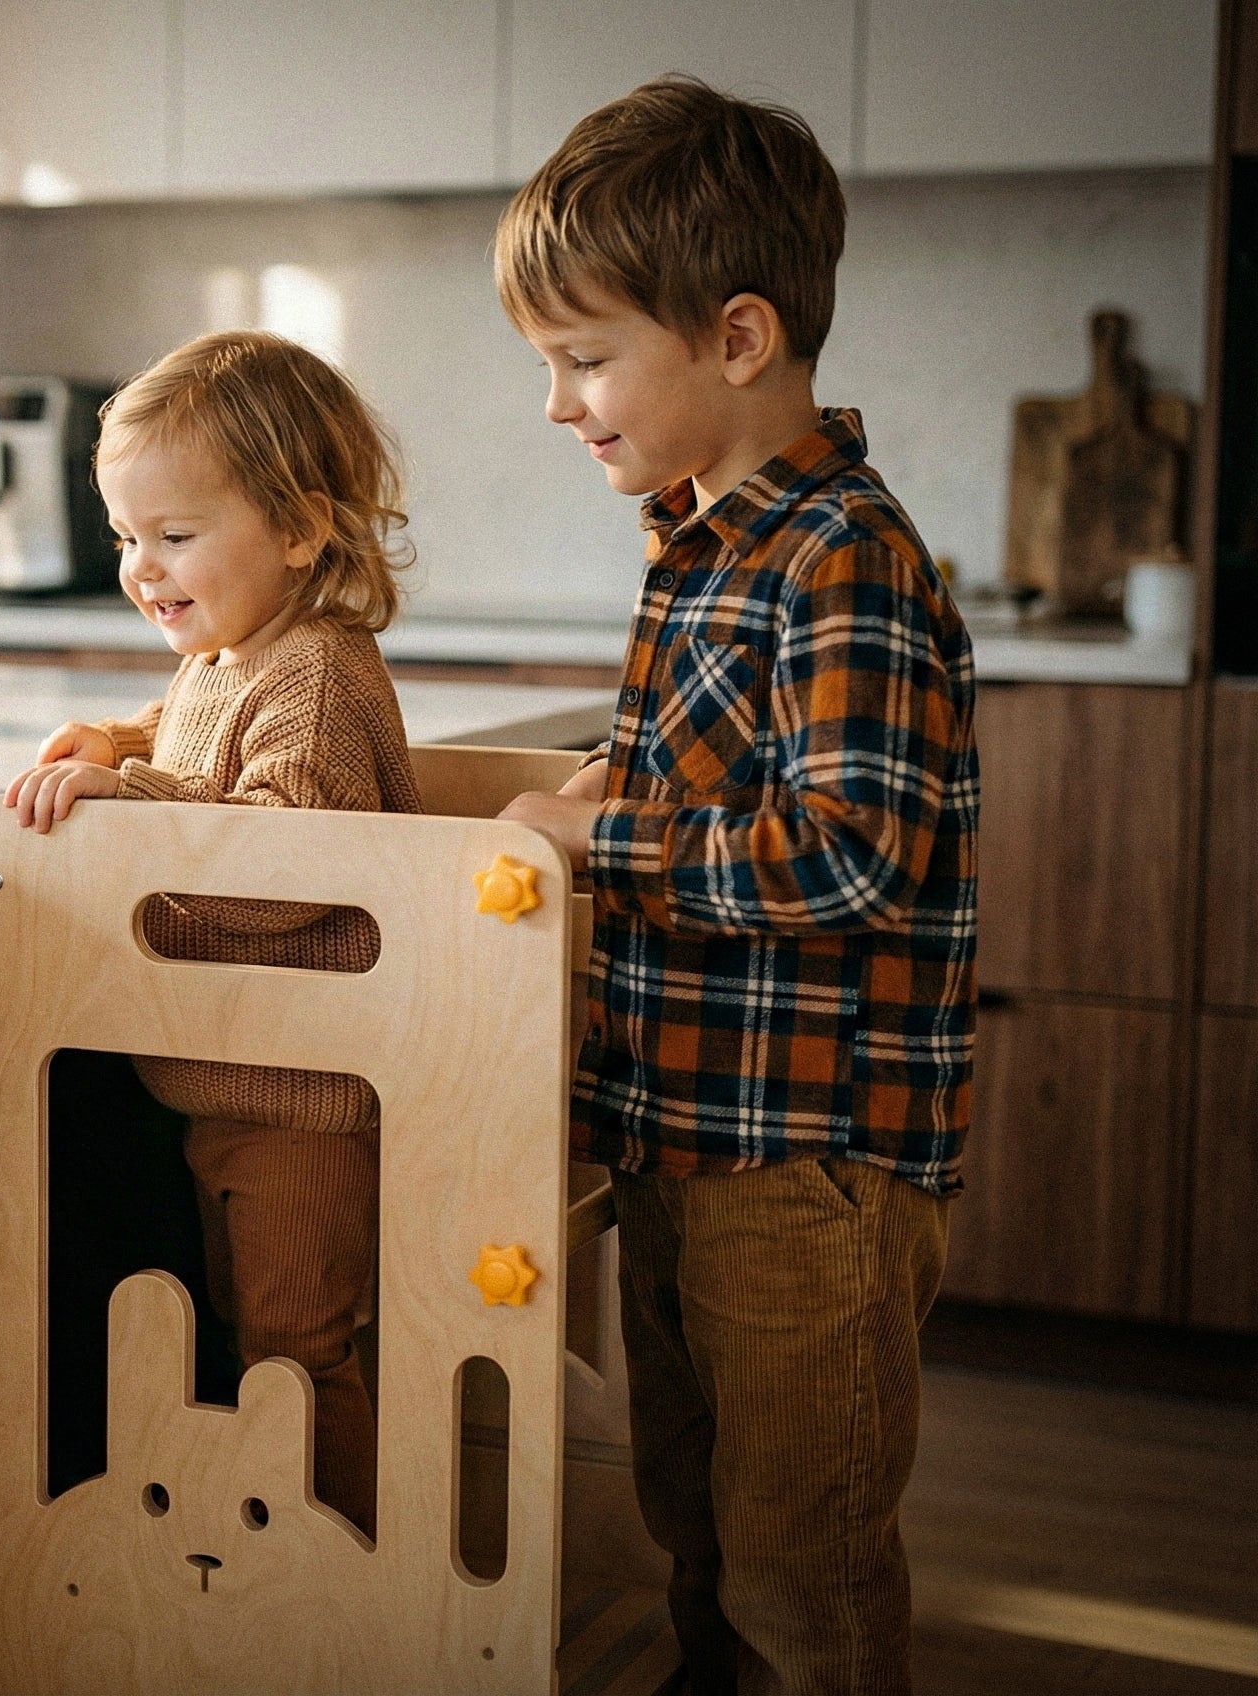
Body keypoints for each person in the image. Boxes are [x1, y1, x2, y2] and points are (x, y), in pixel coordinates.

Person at [491, 77, 979, 1694]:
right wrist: (607, 796)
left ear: (737, 337)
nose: (559, 405)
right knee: (689, 1525)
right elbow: (730, 790)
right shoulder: (698, 543)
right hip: (680, 1139)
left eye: (581, 358)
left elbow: (844, 855)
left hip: (804, 1170)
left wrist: (595, 837)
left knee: (800, 1565)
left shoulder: (841, 554)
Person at [6, 329, 422, 1536]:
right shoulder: (230, 656)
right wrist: (122, 748)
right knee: (245, 1343)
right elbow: (194, 741)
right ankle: (274, 1562)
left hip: (298, 1098)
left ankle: (349, 1585)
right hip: (226, 1078)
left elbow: (286, 854)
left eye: (173, 536)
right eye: (125, 537)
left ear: (300, 528)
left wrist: (129, 804)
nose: (141, 568)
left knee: (293, 1359)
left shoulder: (319, 669)